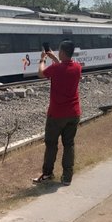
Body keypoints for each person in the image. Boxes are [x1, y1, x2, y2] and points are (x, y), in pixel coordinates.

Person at [33, 40, 82, 186]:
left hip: (56, 114)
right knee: (69, 144)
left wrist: (42, 59)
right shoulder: (78, 67)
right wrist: (54, 58)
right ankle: (67, 177)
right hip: (74, 113)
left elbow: (41, 73)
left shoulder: (56, 69)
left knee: (51, 144)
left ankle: (47, 173)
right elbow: (63, 67)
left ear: (62, 52)